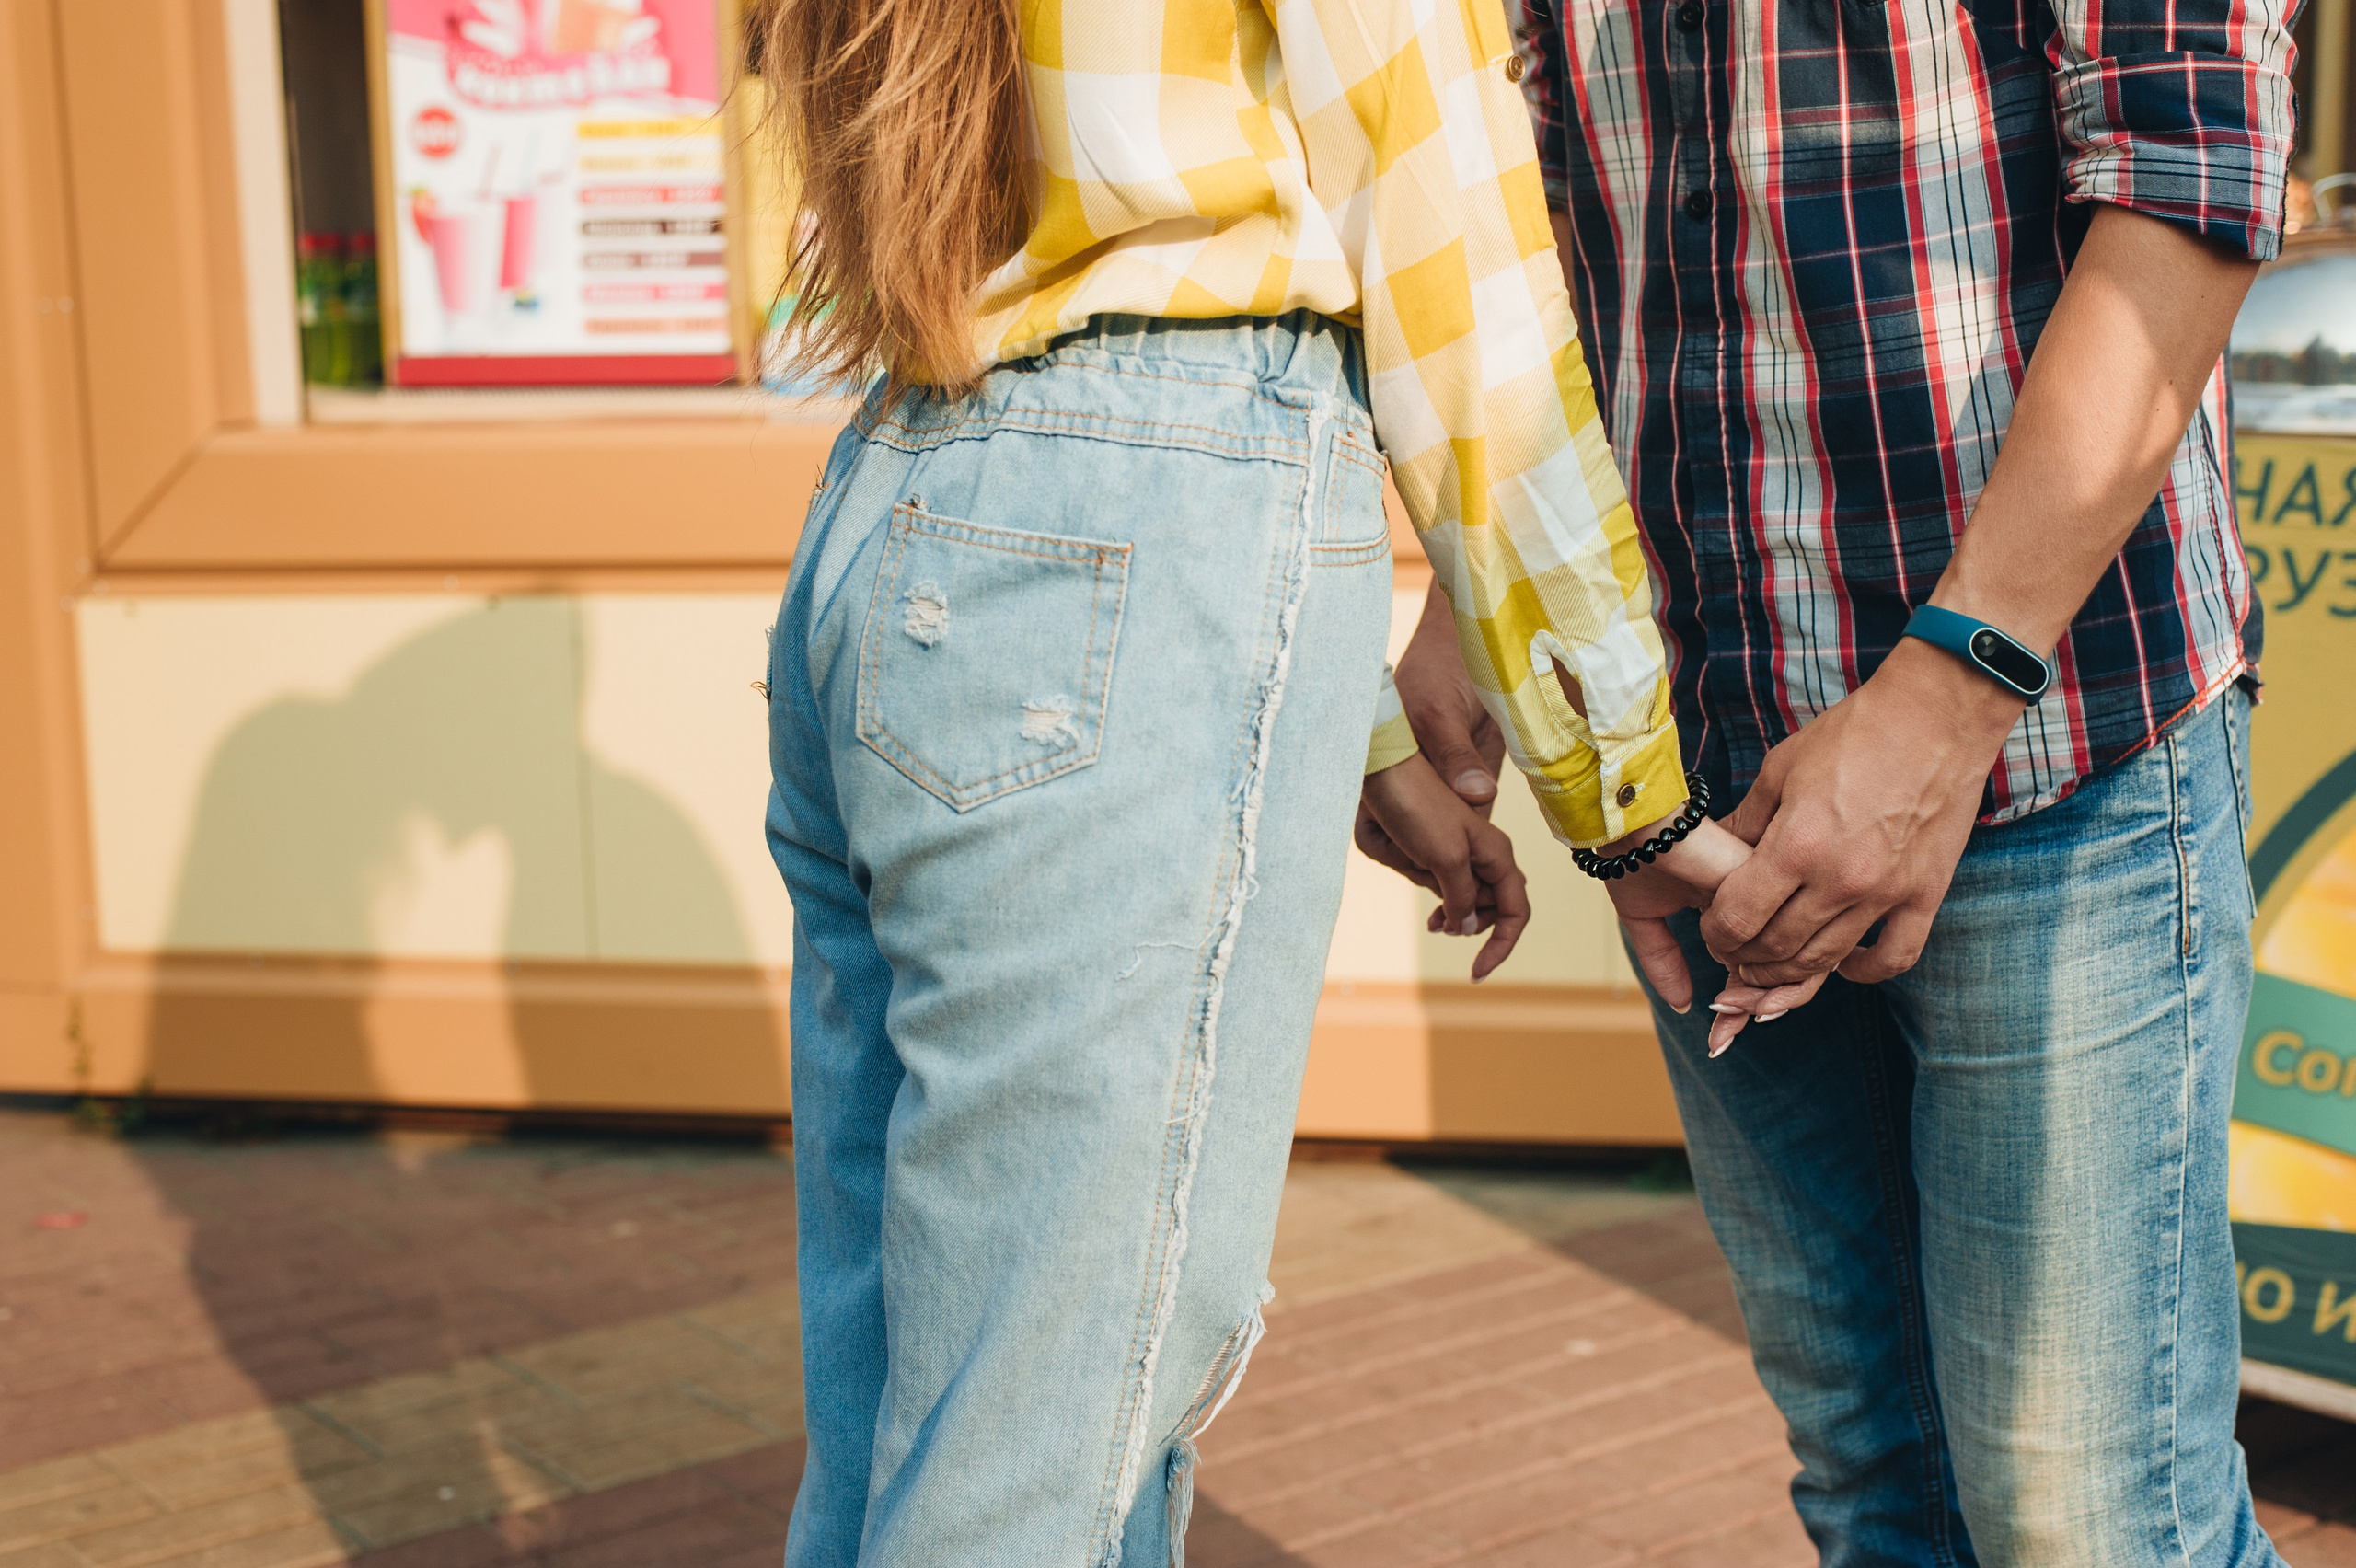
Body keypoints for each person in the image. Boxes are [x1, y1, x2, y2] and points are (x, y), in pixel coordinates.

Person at [750, 1, 1751, 1562]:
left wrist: (1348, 724)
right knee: (1030, 1464)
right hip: (1145, 518)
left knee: (915, 1433)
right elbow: (1450, 253)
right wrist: (1625, 790)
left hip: (905, 502)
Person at [1367, 0, 2297, 1558]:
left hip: (2056, 748)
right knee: (1877, 1482)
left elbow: (2189, 178)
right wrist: (1480, 599)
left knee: (2094, 1525)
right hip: (1710, 770)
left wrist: (1945, 704)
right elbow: (1561, 206)